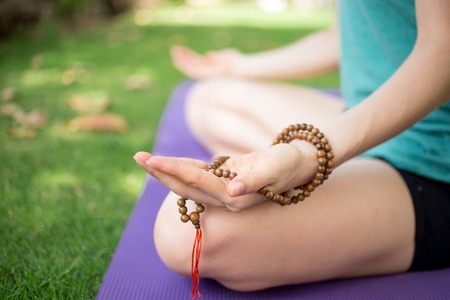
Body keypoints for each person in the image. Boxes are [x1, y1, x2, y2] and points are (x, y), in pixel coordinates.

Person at [133, 0, 450, 292]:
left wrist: (310, 154)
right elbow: (341, 37)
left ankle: (347, 177)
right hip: (369, 115)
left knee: (185, 234)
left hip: (434, 163)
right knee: (208, 98)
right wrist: (237, 66)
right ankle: (347, 171)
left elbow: (443, 48)